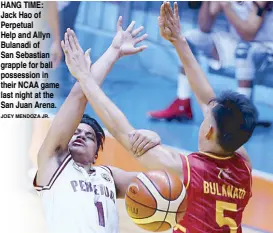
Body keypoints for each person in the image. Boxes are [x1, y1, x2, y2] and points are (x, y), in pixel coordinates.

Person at [70, 2, 257, 232]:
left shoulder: (187, 170)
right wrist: (178, 40)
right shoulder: (244, 166)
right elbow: (208, 99)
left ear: (209, 130)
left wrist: (85, 79)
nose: (205, 113)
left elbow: (122, 131)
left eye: (206, 118)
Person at [33, 18, 159, 233]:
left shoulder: (107, 175)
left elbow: (159, 183)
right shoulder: (53, 164)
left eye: (90, 136)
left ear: (96, 153)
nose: (80, 136)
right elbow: (79, 97)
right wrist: (114, 50)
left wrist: (154, 141)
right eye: (76, 132)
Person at [147, 1, 272, 127]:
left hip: (265, 45)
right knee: (191, 39)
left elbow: (249, 33)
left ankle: (243, 115)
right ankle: (182, 104)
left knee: (243, 49)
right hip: (237, 40)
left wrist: (226, 6)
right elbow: (204, 26)